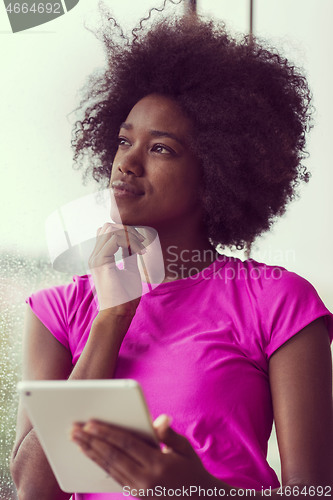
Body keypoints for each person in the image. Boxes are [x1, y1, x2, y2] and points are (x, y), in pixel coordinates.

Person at [10, 3, 333, 499]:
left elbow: (314, 493)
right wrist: (110, 319)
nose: (128, 164)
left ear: (218, 172)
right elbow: (33, 488)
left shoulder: (276, 301)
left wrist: (198, 492)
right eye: (123, 141)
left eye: (160, 148)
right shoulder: (59, 312)